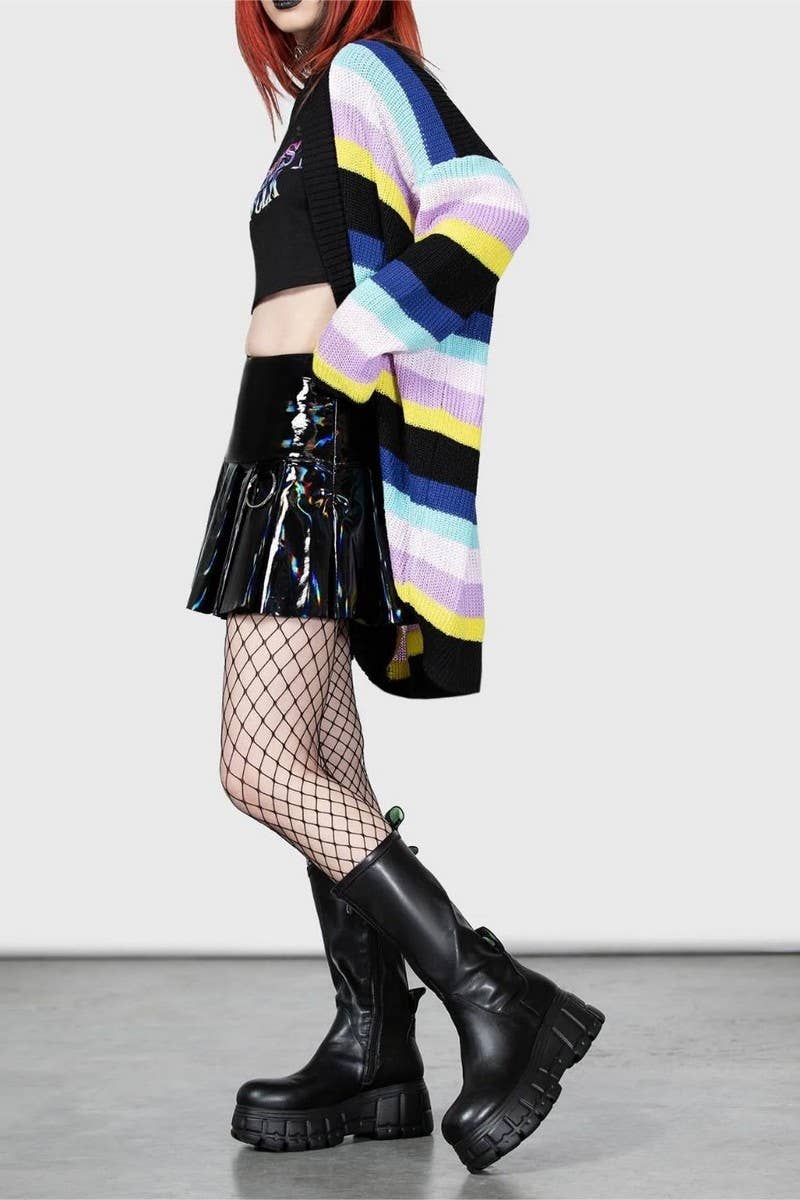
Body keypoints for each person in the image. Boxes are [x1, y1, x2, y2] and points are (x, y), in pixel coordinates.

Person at [186, 0, 605, 1174]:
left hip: (313, 435)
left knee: (257, 765)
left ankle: (492, 993)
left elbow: (489, 204)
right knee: (320, 765)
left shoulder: (369, 71)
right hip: (276, 437)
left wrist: (361, 334)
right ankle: (373, 1047)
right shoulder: (317, 103)